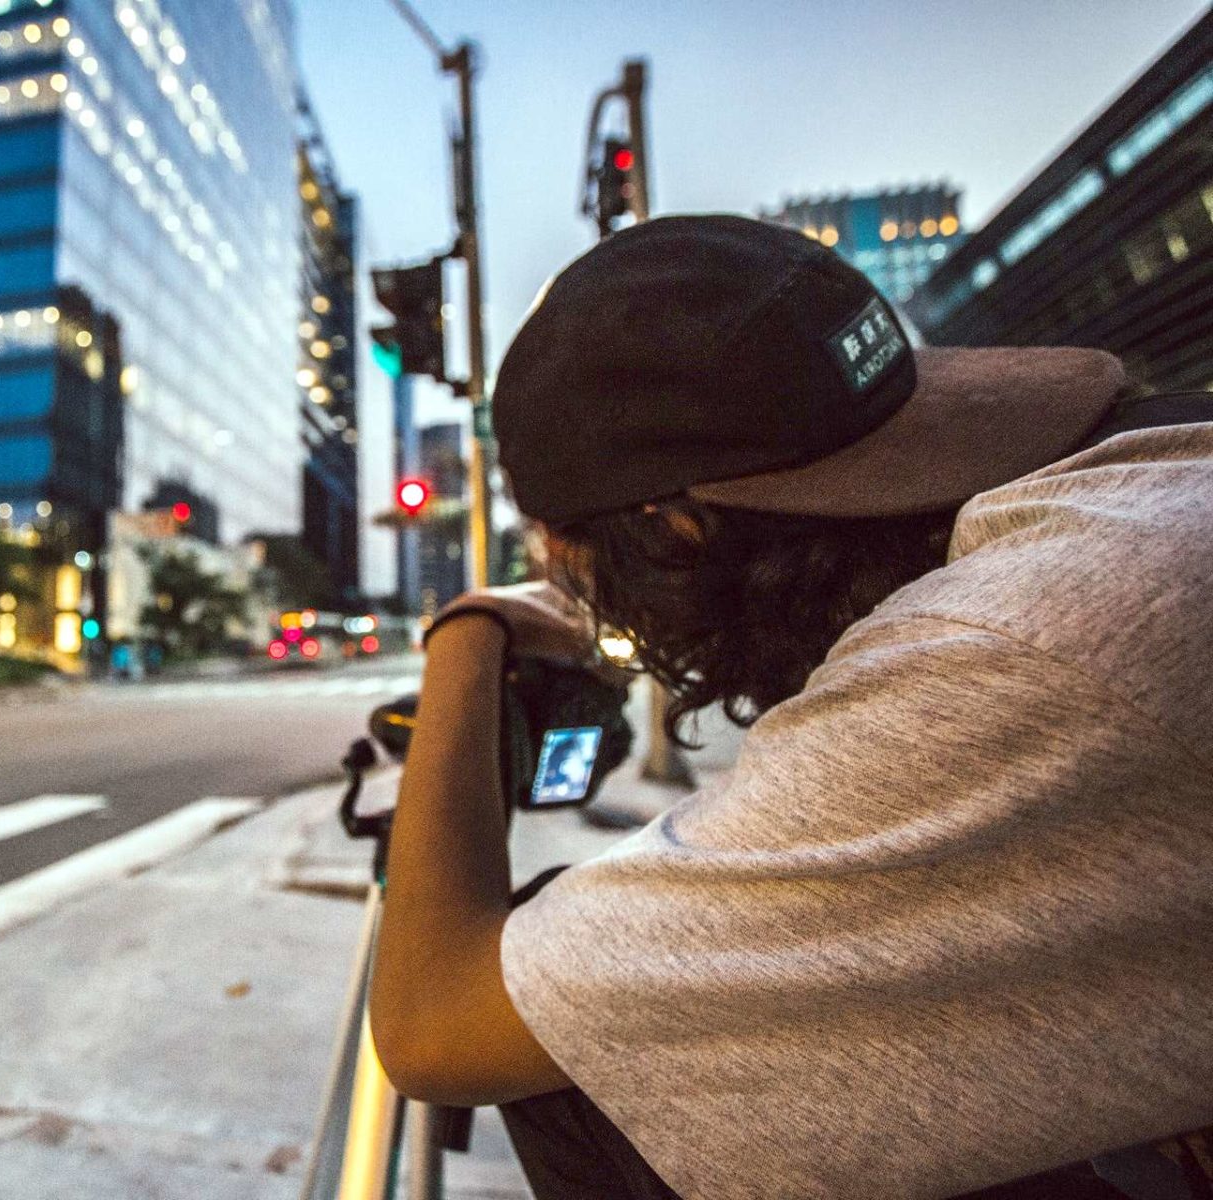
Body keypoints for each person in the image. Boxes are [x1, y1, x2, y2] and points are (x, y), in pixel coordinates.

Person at [366, 215, 1213, 1200]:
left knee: (586, 1060)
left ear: (675, 533)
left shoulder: (1000, 653)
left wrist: (469, 632)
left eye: (579, 564)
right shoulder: (1144, 473)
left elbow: (433, 1025)